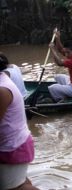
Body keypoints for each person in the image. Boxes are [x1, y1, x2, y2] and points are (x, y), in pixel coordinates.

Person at [0, 54, 38, 189]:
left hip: (12, 147)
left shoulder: (2, 90)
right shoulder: (5, 77)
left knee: (15, 187)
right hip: (16, 142)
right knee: (18, 181)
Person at [48, 29, 72, 102]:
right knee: (57, 76)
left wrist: (52, 50)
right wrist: (57, 37)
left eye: (68, 53)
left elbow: (59, 63)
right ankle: (64, 91)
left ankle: (60, 100)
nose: (66, 55)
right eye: (66, 52)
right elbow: (60, 49)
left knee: (52, 88)